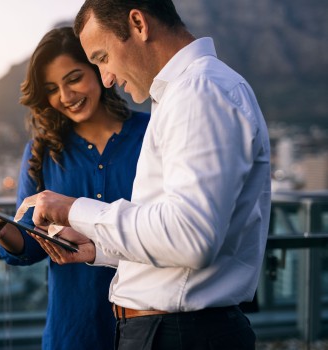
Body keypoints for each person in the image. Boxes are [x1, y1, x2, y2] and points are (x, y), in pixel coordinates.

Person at [24, 1, 272, 350]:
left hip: (179, 335)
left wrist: (73, 209)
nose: (106, 77)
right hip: (172, 332)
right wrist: (98, 247)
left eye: (102, 57)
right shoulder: (185, 95)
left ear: (138, 23)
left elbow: (190, 237)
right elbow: (177, 235)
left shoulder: (199, 92)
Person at [0, 26, 149, 350]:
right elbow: (30, 245)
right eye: (52, 88)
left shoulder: (151, 134)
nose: (65, 96)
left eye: (73, 78)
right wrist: (1, 227)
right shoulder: (43, 153)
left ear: (98, 68)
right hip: (73, 329)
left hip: (149, 326)